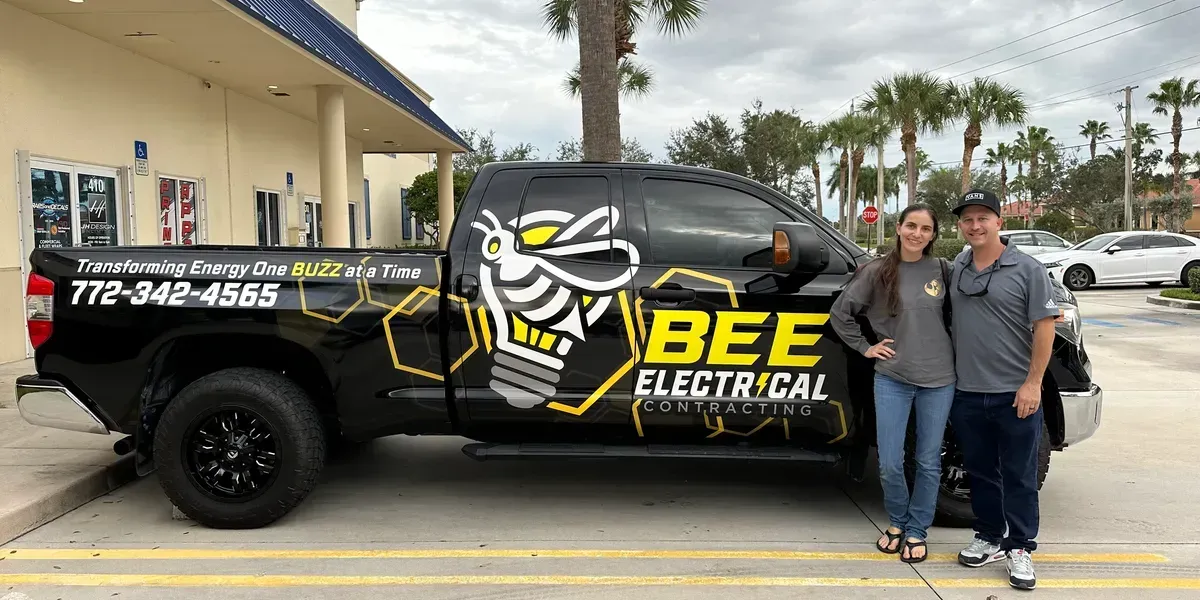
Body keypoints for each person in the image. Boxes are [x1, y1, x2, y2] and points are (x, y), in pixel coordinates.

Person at [830, 204, 955, 564]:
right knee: (889, 461)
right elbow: (841, 314)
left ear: (933, 235)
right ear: (898, 228)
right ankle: (897, 523)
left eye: (926, 229)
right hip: (893, 378)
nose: (918, 234)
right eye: (911, 226)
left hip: (939, 379)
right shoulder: (876, 272)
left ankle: (918, 530)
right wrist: (866, 347)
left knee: (929, 461)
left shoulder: (943, 270)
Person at [948, 189, 1058, 591]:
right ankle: (989, 535)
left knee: (1020, 474)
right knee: (979, 472)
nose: (975, 226)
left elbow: (1045, 326)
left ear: (999, 222)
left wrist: (1033, 384)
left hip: (1016, 393)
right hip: (968, 392)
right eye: (967, 219)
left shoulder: (1027, 268)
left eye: (983, 218)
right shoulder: (959, 264)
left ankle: (1020, 547)